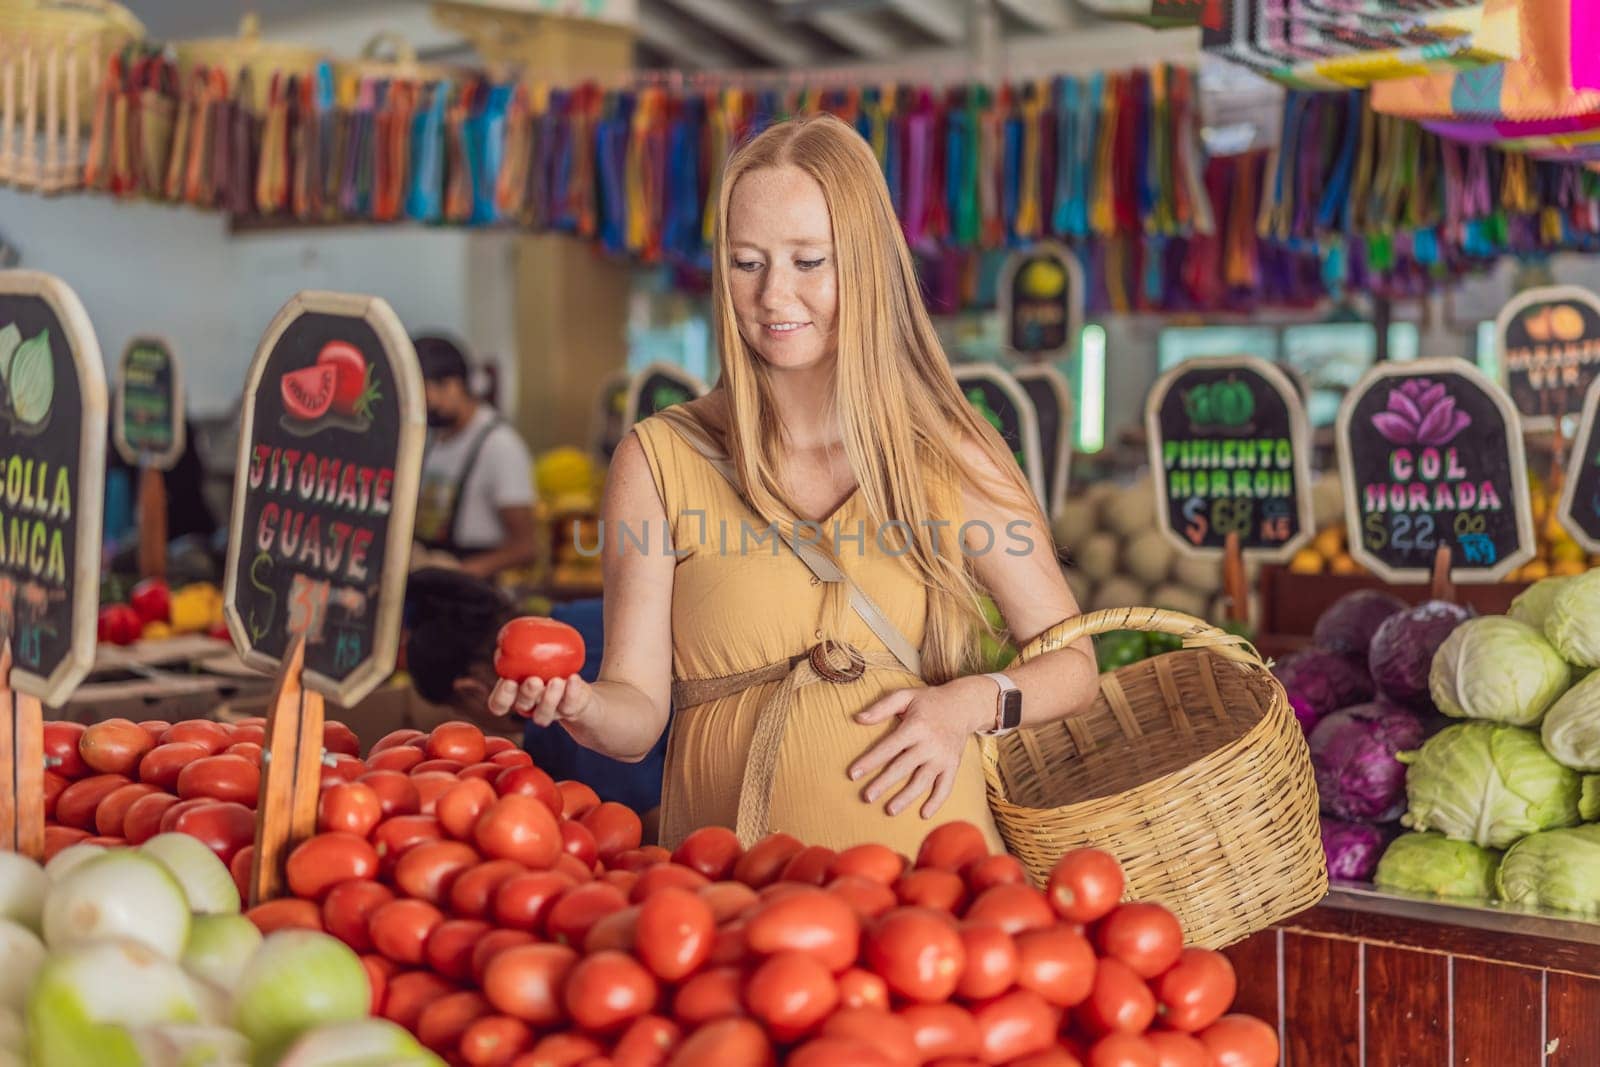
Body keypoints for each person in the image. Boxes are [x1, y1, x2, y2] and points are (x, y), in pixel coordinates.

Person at [489, 113, 1100, 856]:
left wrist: (970, 703)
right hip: (727, 903)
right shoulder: (659, 459)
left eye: (810, 262)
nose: (775, 296)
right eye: (748, 264)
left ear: (865, 265)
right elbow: (637, 715)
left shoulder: (948, 451)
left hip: (935, 902)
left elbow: (1074, 668)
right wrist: (580, 704)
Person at [401, 567, 667, 824]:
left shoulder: (564, 727)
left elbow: (659, 826)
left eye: (459, 710)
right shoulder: (580, 615)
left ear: (471, 691)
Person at [412, 334, 540, 580]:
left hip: (474, 594)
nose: (424, 408)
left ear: (453, 384)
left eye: (427, 398)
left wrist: (462, 574)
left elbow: (526, 548)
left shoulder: (500, 446)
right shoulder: (433, 441)